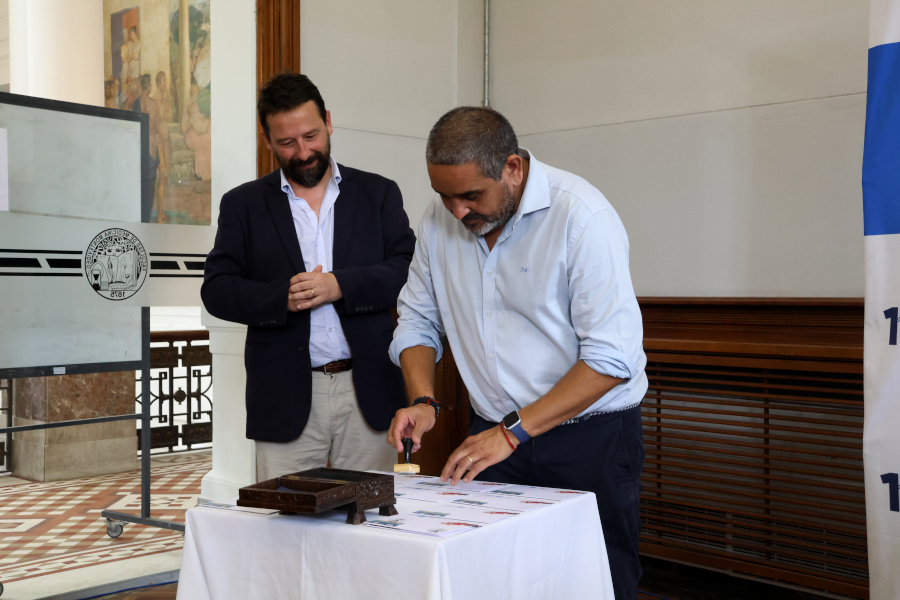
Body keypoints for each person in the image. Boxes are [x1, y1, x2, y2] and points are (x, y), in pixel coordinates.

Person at [386, 107, 647, 600]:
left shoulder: (582, 216)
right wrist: (424, 401)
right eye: (445, 196)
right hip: (493, 435)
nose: (457, 212)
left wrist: (513, 432)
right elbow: (418, 320)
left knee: (596, 581)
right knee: (495, 579)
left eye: (470, 196)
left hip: (589, 439)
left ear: (512, 168)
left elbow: (612, 358)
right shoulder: (438, 221)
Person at [202, 72, 416, 480]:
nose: (304, 152)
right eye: (287, 142)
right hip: (285, 398)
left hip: (368, 391)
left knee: (368, 524)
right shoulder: (243, 205)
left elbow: (409, 270)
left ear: (329, 122)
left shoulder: (379, 194)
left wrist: (340, 285)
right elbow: (216, 290)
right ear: (267, 141)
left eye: (312, 136)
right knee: (286, 526)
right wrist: (279, 298)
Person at [152, 71, 173, 222]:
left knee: (165, 177)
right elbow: (157, 119)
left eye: (166, 80)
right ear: (159, 83)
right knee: (162, 174)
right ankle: (158, 215)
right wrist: (164, 112)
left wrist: (165, 111)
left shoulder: (166, 98)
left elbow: (170, 116)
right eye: (164, 81)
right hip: (159, 139)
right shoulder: (155, 100)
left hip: (166, 138)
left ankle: (161, 212)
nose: (166, 84)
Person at [181, 83, 211, 182]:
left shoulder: (194, 106)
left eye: (198, 94)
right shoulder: (189, 107)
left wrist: (207, 121)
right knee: (208, 138)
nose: (197, 97)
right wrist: (205, 124)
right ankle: (202, 173)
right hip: (190, 135)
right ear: (192, 94)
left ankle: (204, 172)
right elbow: (195, 126)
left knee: (209, 136)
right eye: (196, 95)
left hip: (196, 132)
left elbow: (199, 120)